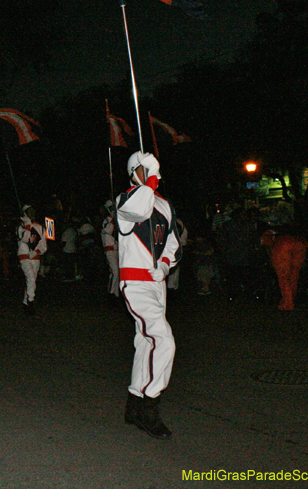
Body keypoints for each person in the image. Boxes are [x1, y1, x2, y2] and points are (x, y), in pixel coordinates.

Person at [117, 151, 181, 439]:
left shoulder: (164, 204)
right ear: (135, 173)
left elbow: (173, 242)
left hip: (157, 283)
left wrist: (165, 264)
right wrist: (149, 178)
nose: (154, 174)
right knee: (163, 339)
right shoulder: (126, 200)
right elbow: (139, 211)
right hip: (135, 283)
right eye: (147, 169)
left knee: (145, 342)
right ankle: (149, 406)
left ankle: (134, 403)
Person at [17, 204, 46, 315]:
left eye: (33, 211)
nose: (32, 213)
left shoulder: (40, 227)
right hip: (24, 257)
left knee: (31, 281)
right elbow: (24, 239)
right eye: (29, 211)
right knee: (31, 278)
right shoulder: (20, 227)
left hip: (35, 258)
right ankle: (30, 302)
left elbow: (44, 245)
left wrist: (36, 252)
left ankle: (25, 303)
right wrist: (27, 225)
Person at [100, 200, 120, 300]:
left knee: (115, 273)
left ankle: (115, 293)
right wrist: (113, 220)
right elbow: (108, 230)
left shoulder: (116, 221)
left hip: (116, 250)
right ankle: (111, 293)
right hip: (109, 251)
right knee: (115, 272)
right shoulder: (107, 221)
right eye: (111, 208)